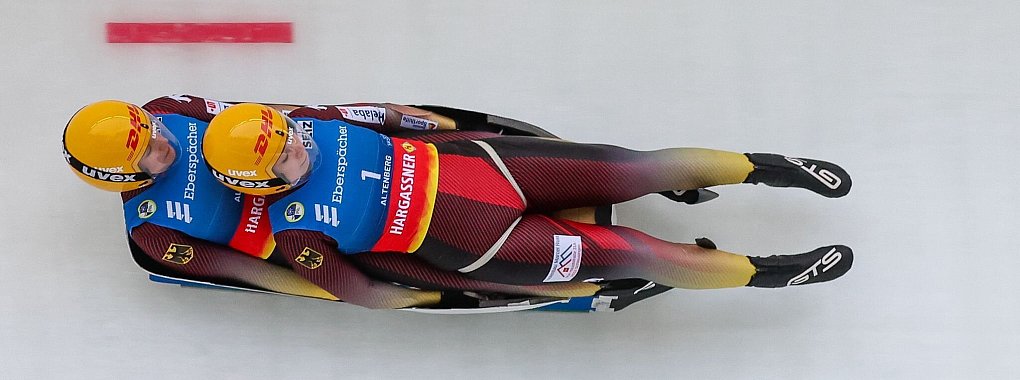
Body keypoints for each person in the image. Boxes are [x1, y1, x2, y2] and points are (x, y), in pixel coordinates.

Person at [202, 103, 855, 309]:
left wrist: (496, 133)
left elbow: (412, 121)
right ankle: (771, 271)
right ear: (262, 185)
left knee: (636, 167)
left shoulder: (323, 127)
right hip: (476, 243)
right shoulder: (295, 234)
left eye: (290, 137)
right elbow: (365, 290)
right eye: (285, 158)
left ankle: (769, 168)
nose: (300, 151)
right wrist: (441, 294)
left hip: (487, 168)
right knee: (636, 253)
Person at [64, 96, 599, 309]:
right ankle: (515, 280)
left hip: (349, 171)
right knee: (418, 265)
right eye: (149, 150)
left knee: (437, 153)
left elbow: (287, 116)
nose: (163, 141)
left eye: (152, 128)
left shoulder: (173, 112)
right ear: (119, 176)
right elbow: (249, 273)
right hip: (327, 238)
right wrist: (391, 297)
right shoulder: (153, 230)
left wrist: (417, 120)